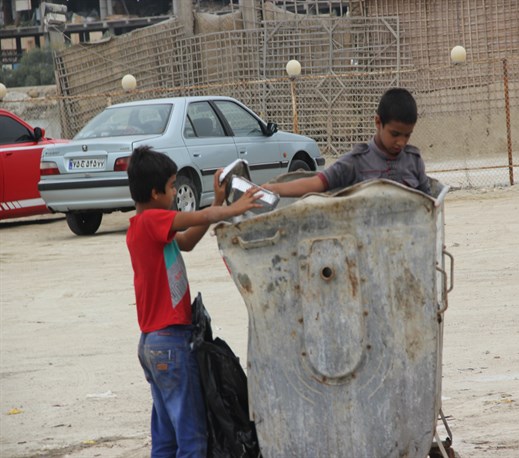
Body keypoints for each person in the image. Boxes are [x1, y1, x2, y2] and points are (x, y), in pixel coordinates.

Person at [125, 145, 261, 457]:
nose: (175, 192)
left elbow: (187, 241)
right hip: (170, 342)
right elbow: (196, 217)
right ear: (157, 192)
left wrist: (216, 201)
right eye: (173, 186)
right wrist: (234, 208)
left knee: (166, 438)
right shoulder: (151, 222)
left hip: (152, 344)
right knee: (192, 439)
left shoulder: (144, 229)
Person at [264, 87, 431, 197]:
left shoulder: (413, 160)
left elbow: (430, 204)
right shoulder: (355, 162)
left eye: (407, 135)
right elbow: (316, 183)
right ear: (378, 122)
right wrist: (273, 189)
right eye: (395, 134)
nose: (401, 142)